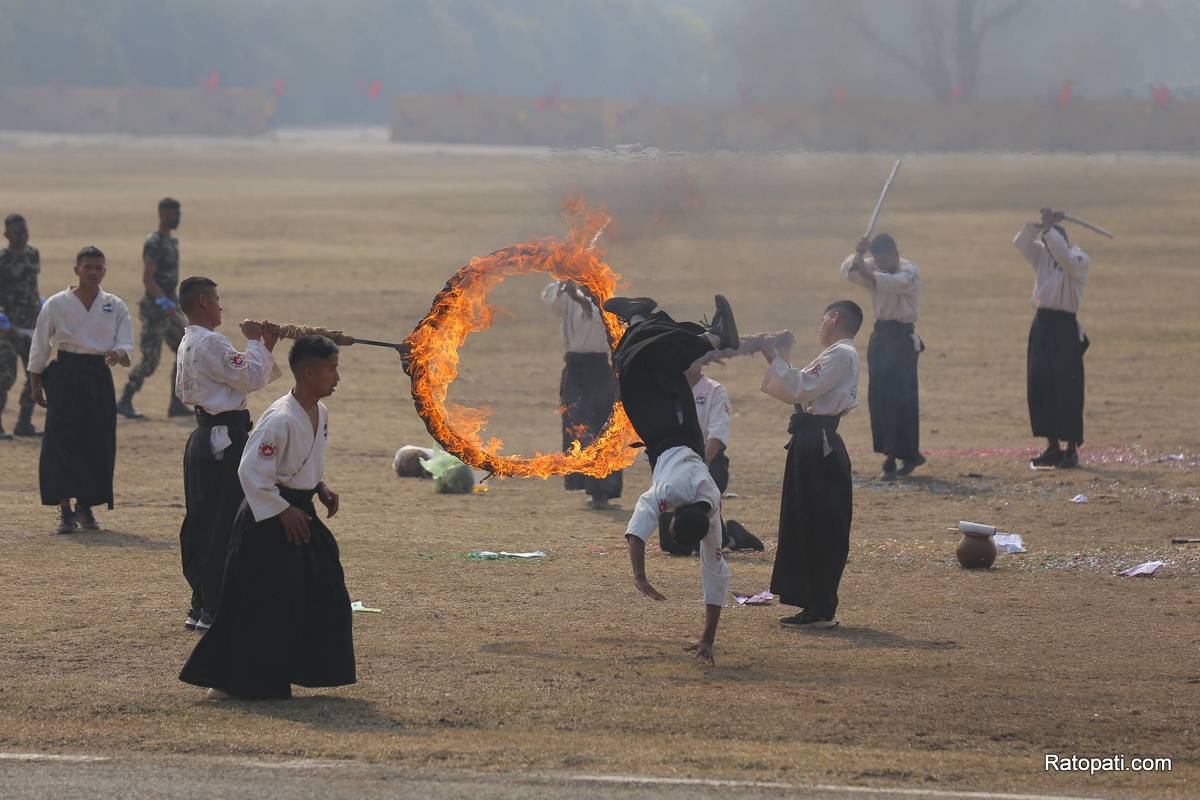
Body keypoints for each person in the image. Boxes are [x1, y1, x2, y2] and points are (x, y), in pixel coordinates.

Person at [179, 335, 355, 700]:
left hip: (298, 511)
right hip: (268, 519)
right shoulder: (279, 417)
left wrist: (318, 485)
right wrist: (282, 510)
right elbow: (250, 472)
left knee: (324, 590)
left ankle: (308, 667)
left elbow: (296, 462)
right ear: (309, 373)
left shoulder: (319, 412)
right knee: (261, 601)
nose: (337, 377)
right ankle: (226, 679)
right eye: (332, 369)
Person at [603, 294, 738, 665]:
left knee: (640, 364)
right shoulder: (669, 493)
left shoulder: (710, 510)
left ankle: (639, 315)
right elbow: (636, 532)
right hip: (669, 430)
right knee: (640, 364)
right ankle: (714, 338)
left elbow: (716, 576)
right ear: (674, 513)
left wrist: (708, 640)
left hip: (677, 437)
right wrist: (639, 576)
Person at [175, 277, 282, 633]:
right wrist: (256, 341)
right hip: (223, 439)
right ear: (204, 301)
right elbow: (248, 376)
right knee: (225, 522)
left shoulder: (188, 341)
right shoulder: (210, 341)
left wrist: (265, 347)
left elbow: (241, 373)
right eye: (217, 300)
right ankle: (215, 605)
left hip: (203, 438)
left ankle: (201, 602)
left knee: (204, 520)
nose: (221, 307)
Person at [759, 300, 862, 630]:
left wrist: (769, 353)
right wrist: (781, 354)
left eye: (822, 320)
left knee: (818, 523)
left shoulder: (841, 353)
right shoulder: (838, 354)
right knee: (803, 520)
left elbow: (798, 387)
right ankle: (811, 602)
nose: (820, 327)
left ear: (834, 318)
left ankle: (820, 607)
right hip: (812, 440)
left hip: (819, 444)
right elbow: (800, 392)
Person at [28, 247, 133, 534]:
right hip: (65, 374)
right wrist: (35, 383)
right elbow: (40, 344)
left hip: (98, 375)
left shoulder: (114, 305)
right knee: (60, 440)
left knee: (96, 440)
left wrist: (118, 353)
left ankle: (86, 507)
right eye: (88, 267)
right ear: (76, 270)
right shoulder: (57, 303)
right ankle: (65, 511)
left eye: (99, 267)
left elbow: (126, 344)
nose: (93, 272)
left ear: (105, 270)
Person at [841, 233, 924, 479]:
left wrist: (864, 265)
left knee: (902, 398)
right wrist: (858, 253)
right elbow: (847, 271)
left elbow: (889, 282)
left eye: (887, 257)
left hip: (902, 339)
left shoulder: (908, 270)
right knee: (880, 398)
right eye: (879, 258)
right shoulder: (874, 267)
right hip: (881, 337)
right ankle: (888, 453)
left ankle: (907, 454)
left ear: (896, 253)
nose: (884, 262)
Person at [658, 363, 763, 554]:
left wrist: (699, 465)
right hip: (676, 460)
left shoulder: (714, 390)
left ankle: (723, 535)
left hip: (709, 458)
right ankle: (731, 535)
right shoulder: (667, 389)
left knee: (701, 536)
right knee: (674, 547)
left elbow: (717, 434)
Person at [1014, 208, 1090, 469]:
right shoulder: (1043, 256)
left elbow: (1064, 259)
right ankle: (1052, 447)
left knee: (1067, 387)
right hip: (1042, 323)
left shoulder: (1078, 259)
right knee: (1040, 383)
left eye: (1050, 238)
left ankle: (1071, 450)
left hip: (1064, 327)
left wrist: (1050, 230)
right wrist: (1039, 225)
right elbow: (1021, 243)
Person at [541, 279, 622, 508]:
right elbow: (548, 301)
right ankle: (584, 482)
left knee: (601, 426)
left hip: (598, 368)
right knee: (576, 425)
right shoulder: (569, 294)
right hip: (575, 367)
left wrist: (581, 298)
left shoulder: (606, 300)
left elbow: (597, 316)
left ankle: (602, 492)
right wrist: (562, 286)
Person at [118, 197, 188, 419]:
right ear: (162, 215)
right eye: (173, 214)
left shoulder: (171, 242)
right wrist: (162, 301)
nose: (177, 218)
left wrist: (173, 300)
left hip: (169, 307)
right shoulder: (155, 242)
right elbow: (148, 279)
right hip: (155, 309)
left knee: (184, 350)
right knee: (150, 360)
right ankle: (125, 399)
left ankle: (176, 403)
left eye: (178, 213)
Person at [0, 213, 42, 438]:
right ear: (7, 235)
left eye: (25, 231)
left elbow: (33, 285)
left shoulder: (33, 254)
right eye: (18, 233)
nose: (23, 236)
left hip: (30, 326)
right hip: (6, 328)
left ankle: (24, 423)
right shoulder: (2, 260)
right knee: (4, 377)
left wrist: (41, 305)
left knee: (36, 373)